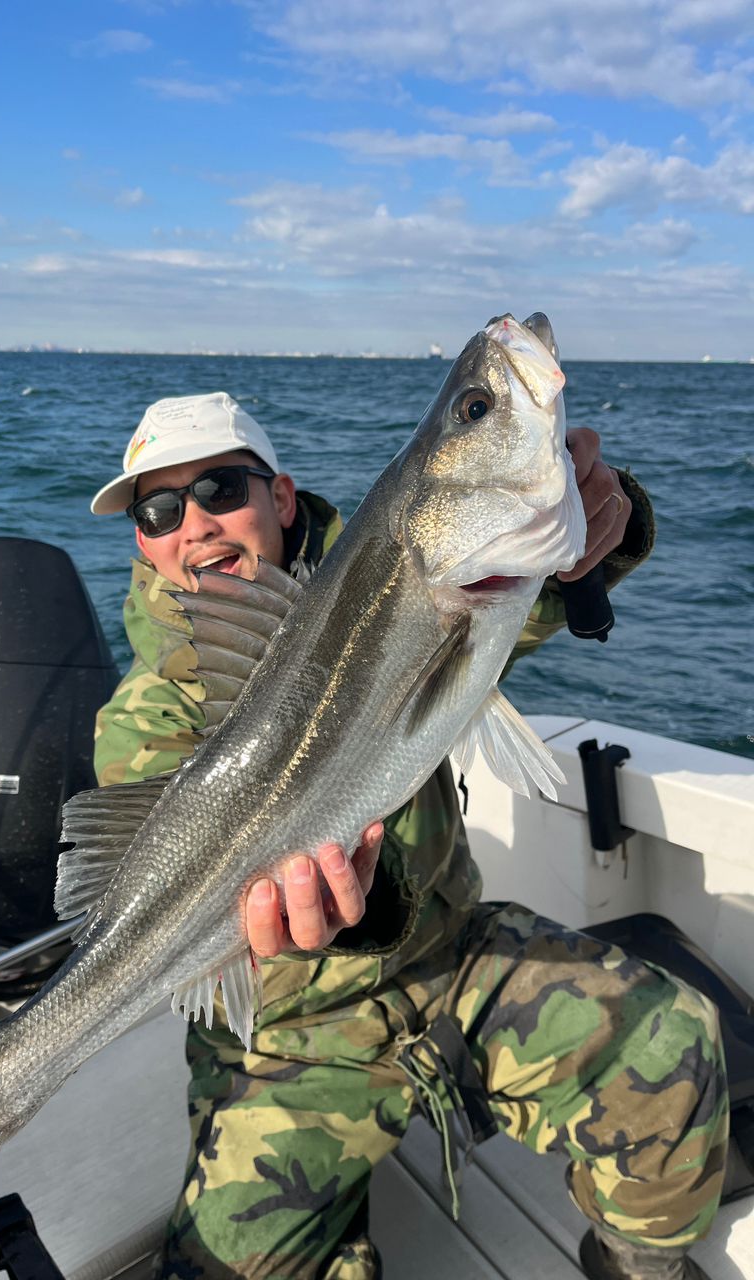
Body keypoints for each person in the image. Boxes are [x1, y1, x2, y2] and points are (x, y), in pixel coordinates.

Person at [91, 391, 727, 1280]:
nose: (194, 523)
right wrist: (313, 921)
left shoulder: (402, 576)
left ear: (280, 497)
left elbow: (517, 605)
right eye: (159, 509)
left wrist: (594, 534)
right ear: (145, 544)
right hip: (290, 1040)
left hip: (450, 954)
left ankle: (638, 1261)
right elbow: (171, 907)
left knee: (677, 1042)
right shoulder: (143, 719)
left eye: (220, 488)